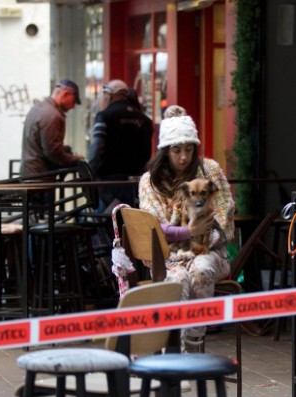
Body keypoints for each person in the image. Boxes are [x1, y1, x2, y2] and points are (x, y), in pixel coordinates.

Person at [137, 105, 235, 352]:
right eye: (177, 150)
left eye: (189, 149)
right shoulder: (150, 182)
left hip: (210, 252)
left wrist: (202, 242)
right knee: (178, 280)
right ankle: (175, 348)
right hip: (168, 257)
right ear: (165, 151)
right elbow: (155, 225)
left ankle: (194, 339)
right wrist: (187, 233)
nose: (183, 157)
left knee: (200, 271)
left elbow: (224, 210)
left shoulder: (209, 170)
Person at [87, 79, 153, 210]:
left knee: (107, 220)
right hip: (135, 181)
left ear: (110, 95)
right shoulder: (144, 119)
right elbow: (147, 152)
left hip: (109, 182)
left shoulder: (105, 116)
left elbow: (96, 149)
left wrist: (90, 173)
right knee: (131, 220)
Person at [21, 79, 84, 179]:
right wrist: (75, 159)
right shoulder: (52, 115)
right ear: (66, 94)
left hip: (31, 173)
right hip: (41, 178)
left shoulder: (38, 108)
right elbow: (53, 152)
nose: (73, 106)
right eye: (74, 101)